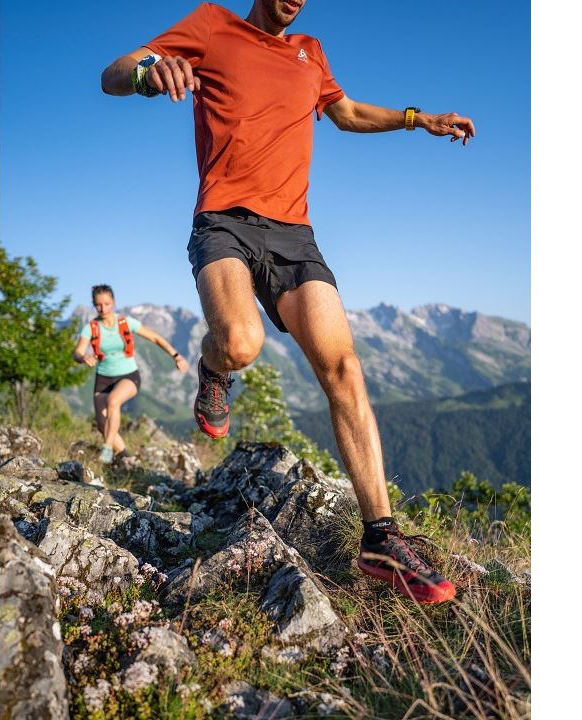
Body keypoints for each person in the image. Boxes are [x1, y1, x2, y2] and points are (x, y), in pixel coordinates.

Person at [101, 1, 476, 603]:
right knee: (240, 343)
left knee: (344, 367)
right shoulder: (212, 25)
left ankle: (380, 538)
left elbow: (347, 113)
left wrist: (416, 118)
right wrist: (149, 73)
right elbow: (114, 73)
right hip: (223, 222)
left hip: (294, 235)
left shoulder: (311, 52)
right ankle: (214, 369)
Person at [73, 284, 188, 463]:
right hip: (103, 378)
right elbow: (77, 352)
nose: (103, 308)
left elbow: (155, 337)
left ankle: (107, 448)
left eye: (107, 304)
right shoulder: (91, 327)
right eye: (98, 305)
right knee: (103, 425)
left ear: (114, 302)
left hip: (128, 376)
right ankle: (127, 458)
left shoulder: (125, 323)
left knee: (113, 401)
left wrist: (176, 356)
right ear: (94, 305)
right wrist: (83, 357)